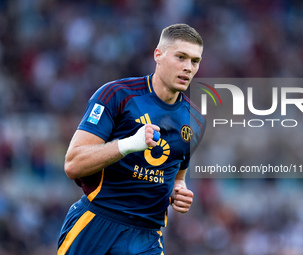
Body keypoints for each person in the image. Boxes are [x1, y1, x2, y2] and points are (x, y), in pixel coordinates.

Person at [58, 23, 206, 255]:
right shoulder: (117, 95)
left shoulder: (195, 120)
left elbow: (178, 176)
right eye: (181, 57)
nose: (188, 67)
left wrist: (179, 191)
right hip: (96, 223)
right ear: (158, 55)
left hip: (146, 237)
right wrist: (128, 145)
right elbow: (73, 164)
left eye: (194, 61)